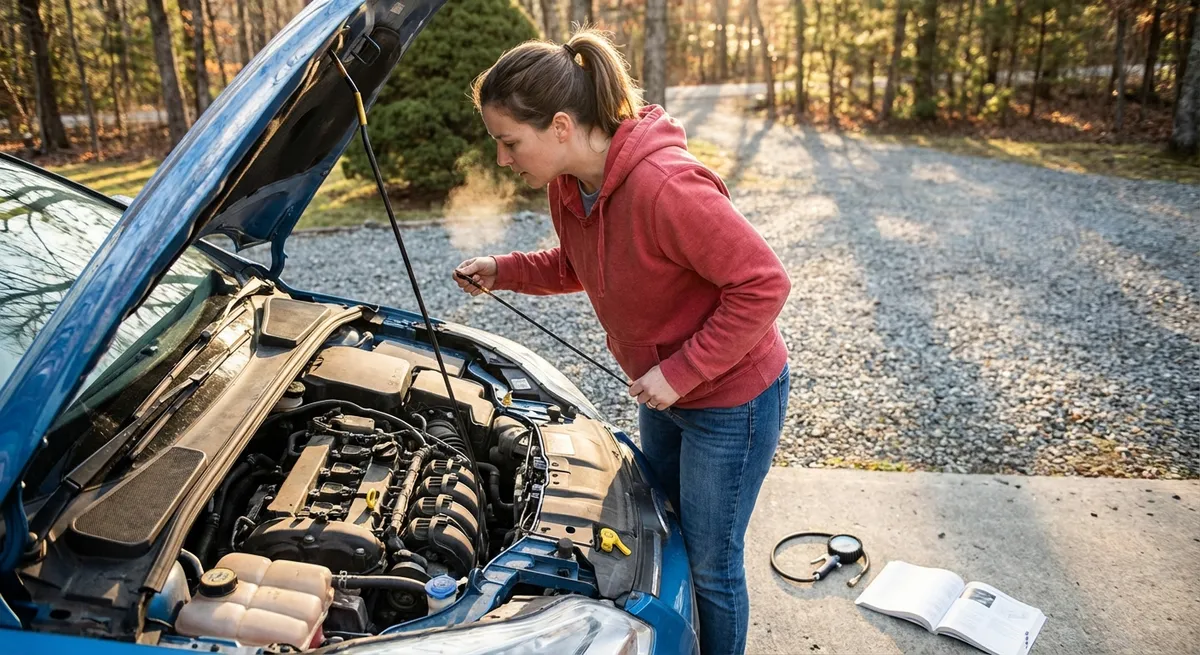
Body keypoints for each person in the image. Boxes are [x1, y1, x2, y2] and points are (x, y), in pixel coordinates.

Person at [453, 28, 791, 655]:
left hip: (731, 403)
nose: (502, 159)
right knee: (660, 538)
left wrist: (682, 372)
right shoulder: (569, 184)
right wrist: (504, 270)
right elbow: (576, 263)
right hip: (667, 393)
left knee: (713, 565)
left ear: (559, 126)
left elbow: (763, 284)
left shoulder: (666, 187)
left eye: (508, 142)